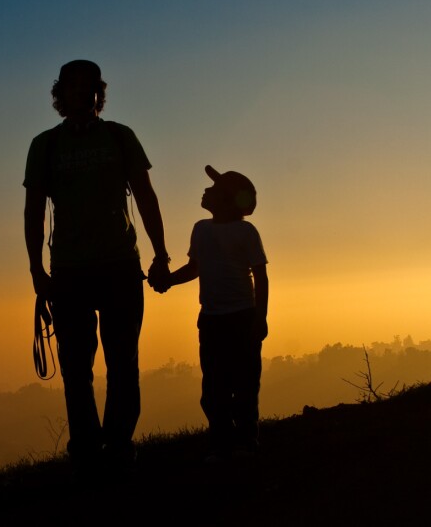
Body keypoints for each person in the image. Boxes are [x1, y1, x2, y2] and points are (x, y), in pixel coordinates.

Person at [23, 60, 170, 479]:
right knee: (75, 365)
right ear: (61, 94)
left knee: (123, 360)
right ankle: (88, 448)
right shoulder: (44, 146)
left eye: (88, 87)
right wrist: (36, 269)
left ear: (97, 94)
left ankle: (119, 444)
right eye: (72, 87)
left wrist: (161, 254)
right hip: (69, 270)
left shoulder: (120, 137)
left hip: (121, 264)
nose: (81, 93)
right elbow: (33, 211)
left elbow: (145, 196)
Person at [158, 165, 269, 461]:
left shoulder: (246, 232)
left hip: (242, 316)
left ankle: (245, 441)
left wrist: (260, 317)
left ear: (227, 199)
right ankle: (221, 443)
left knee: (244, 383)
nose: (205, 192)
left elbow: (261, 276)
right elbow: (195, 268)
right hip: (211, 318)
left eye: (213, 189)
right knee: (214, 386)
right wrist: (169, 279)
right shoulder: (201, 229)